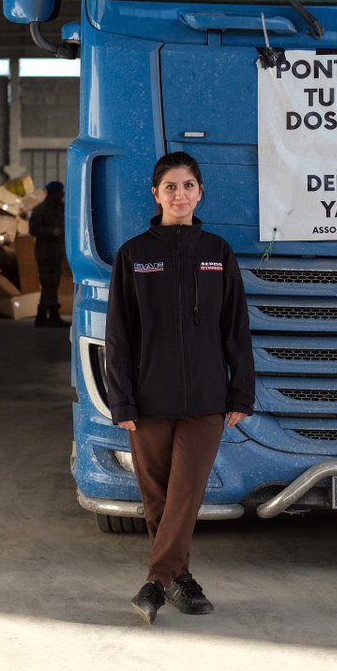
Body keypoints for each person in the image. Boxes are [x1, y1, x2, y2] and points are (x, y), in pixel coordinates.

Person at [104, 152, 255, 625]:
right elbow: (119, 334)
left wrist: (241, 392)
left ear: (200, 192)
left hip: (206, 400)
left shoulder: (217, 251)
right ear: (155, 194)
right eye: (170, 186)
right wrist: (122, 398)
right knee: (157, 499)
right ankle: (181, 580)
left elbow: (236, 328)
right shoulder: (134, 254)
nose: (180, 194)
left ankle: (154, 584)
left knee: (186, 494)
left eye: (188, 185)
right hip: (147, 401)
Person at [29, 181, 69, 327]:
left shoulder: (62, 208)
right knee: (48, 284)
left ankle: (47, 316)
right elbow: (33, 229)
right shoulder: (40, 210)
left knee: (53, 284)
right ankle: (48, 315)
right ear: (52, 194)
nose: (62, 196)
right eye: (59, 193)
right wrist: (51, 231)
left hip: (58, 253)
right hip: (45, 254)